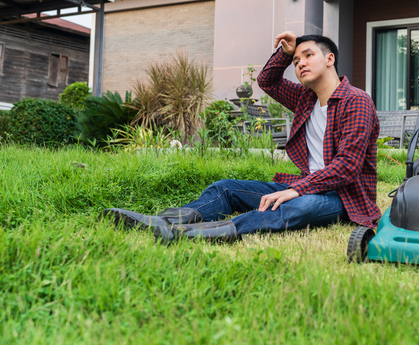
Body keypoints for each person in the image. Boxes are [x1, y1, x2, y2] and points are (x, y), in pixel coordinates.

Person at [102, 32, 382, 243]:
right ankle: (163, 221)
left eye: (308, 55)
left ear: (330, 59)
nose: (300, 64)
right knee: (226, 188)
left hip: (343, 197)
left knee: (299, 206)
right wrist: (285, 54)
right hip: (307, 185)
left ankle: (193, 234)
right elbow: (267, 81)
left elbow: (347, 166)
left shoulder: (355, 101)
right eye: (297, 61)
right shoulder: (304, 98)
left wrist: (296, 190)